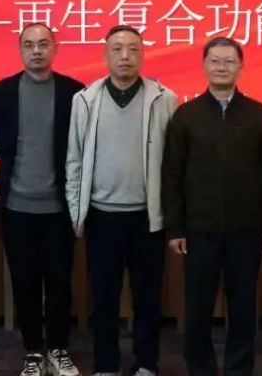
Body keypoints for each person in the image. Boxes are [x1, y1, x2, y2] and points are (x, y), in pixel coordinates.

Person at [163, 36, 262, 376]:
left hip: (247, 230)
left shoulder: (258, 114)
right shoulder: (186, 115)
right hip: (199, 231)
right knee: (198, 308)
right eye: (215, 61)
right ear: (204, 66)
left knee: (243, 308)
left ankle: (239, 369)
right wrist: (175, 227)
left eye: (229, 61)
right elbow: (172, 175)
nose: (221, 67)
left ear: (241, 67)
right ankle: (200, 369)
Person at [65, 25, 178, 376]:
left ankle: (146, 364)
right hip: (102, 216)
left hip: (148, 217)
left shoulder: (164, 99)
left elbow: (174, 162)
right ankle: (106, 366)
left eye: (132, 49)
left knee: (148, 298)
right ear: (105, 54)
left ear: (143, 54)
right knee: (104, 298)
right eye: (117, 49)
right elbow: (74, 160)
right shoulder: (85, 100)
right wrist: (76, 211)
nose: (125, 56)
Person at [0, 23, 84, 376]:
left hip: (59, 207)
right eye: (29, 45)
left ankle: (58, 349)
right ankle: (32, 351)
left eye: (44, 44)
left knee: (59, 283)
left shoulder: (75, 93)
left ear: (55, 48)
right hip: (16, 207)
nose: (37, 51)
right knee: (24, 282)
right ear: (20, 50)